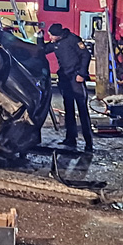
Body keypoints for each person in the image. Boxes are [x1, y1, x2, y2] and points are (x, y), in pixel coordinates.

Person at [38, 23, 93, 152]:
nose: (49, 37)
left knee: (82, 110)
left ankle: (88, 142)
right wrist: (39, 38)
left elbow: (86, 55)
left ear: (58, 35)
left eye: (51, 35)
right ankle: (70, 138)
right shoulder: (57, 42)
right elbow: (43, 50)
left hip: (76, 78)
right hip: (65, 79)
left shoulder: (73, 40)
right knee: (69, 109)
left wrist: (82, 74)